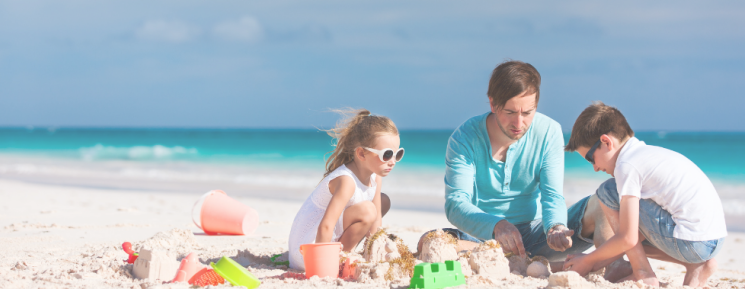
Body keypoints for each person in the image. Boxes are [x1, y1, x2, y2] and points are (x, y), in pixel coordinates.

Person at [421, 60, 622, 275]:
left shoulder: (549, 132)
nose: (519, 124)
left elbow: (552, 195)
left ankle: (613, 267)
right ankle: (524, 263)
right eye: (510, 112)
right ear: (492, 104)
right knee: (431, 240)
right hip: (485, 239)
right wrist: (498, 225)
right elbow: (456, 204)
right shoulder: (464, 139)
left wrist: (556, 227)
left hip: (537, 235)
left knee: (603, 202)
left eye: (527, 113)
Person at [562, 102, 727, 287]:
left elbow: (628, 238)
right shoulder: (647, 154)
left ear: (606, 142)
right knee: (631, 228)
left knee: (607, 192)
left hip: (690, 242)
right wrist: (598, 259)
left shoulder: (627, 166)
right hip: (713, 240)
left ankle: (643, 273)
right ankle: (696, 265)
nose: (595, 168)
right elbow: (634, 240)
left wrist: (588, 260)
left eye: (590, 158)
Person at [288, 109, 399, 270]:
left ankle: (349, 253)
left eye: (397, 154)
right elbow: (326, 226)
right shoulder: (346, 181)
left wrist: (375, 250)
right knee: (368, 210)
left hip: (328, 237)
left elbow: (376, 223)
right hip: (309, 249)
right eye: (387, 154)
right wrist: (323, 266)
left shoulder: (376, 177)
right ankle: (339, 260)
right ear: (361, 153)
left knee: (383, 201)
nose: (393, 161)